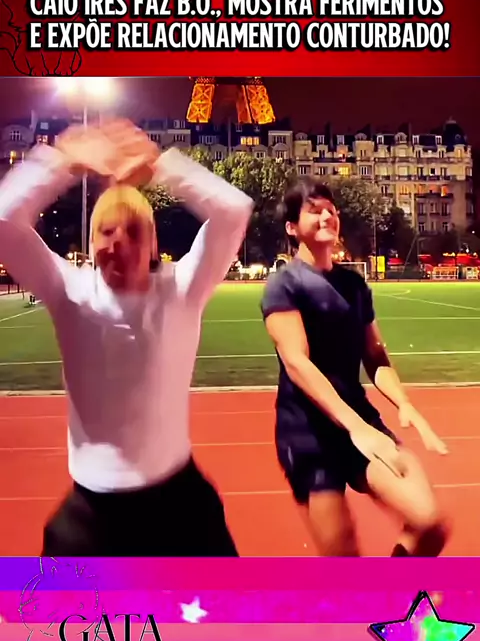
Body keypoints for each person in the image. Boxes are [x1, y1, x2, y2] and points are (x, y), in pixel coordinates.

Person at [0, 120, 253, 556]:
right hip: (92, 516)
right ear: (91, 243)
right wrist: (62, 160)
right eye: (107, 231)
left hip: (181, 507)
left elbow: (234, 211)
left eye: (134, 230)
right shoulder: (70, 292)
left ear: (154, 245)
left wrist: (159, 165)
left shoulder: (182, 289)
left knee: (228, 602)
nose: (119, 242)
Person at [261, 176, 449, 557]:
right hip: (308, 433)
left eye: (332, 210)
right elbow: (297, 362)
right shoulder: (283, 285)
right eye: (315, 211)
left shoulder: (354, 284)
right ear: (292, 227)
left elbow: (375, 357)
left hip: (360, 421)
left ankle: (393, 588)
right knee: (344, 562)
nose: (327, 216)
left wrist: (404, 403)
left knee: (429, 522)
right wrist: (355, 427)